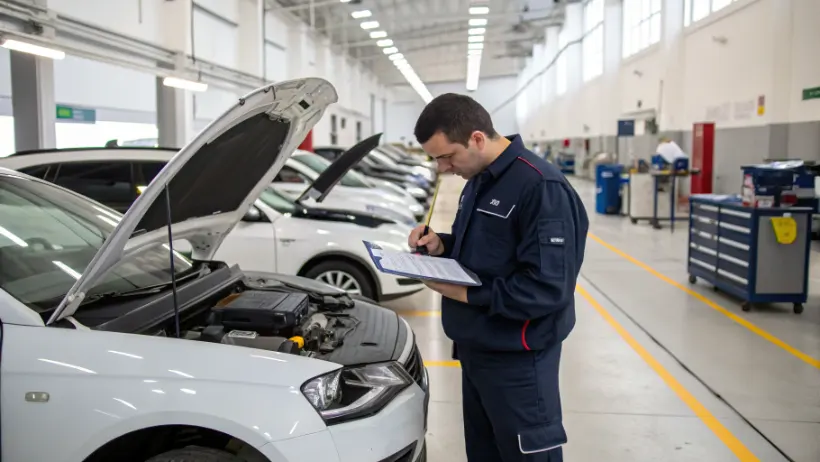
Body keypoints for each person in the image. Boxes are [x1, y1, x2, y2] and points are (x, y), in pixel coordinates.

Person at [408, 93, 589, 462]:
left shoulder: (540, 187)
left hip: (518, 362)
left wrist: (462, 293)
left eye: (447, 156)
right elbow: (483, 250)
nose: (442, 168)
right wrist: (441, 246)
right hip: (478, 351)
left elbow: (547, 289)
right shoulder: (479, 178)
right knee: (485, 453)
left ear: (477, 138)